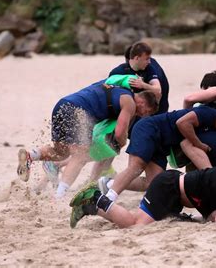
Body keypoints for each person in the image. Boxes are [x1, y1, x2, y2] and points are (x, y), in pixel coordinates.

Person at [16, 81, 158, 198]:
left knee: (60, 152)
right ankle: (59, 196)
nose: (144, 116)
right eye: (147, 112)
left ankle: (30, 155)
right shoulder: (130, 103)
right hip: (79, 111)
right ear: (144, 103)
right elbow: (120, 132)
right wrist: (122, 143)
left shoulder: (117, 87)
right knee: (81, 155)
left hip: (63, 104)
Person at [95, 106, 216, 205]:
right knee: (136, 167)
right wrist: (199, 144)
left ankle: (109, 183)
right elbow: (182, 123)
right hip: (150, 129)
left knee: (153, 183)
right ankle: (108, 199)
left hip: (161, 145)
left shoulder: (211, 127)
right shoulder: (209, 113)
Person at [69, 160, 216, 228]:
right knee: (134, 224)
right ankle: (95, 197)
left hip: (177, 192)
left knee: (143, 220)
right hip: (169, 188)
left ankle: (90, 207)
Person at [89, 41, 170, 181]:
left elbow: (158, 91)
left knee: (116, 146)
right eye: (146, 59)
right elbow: (106, 92)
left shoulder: (150, 67)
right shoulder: (120, 73)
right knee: (111, 145)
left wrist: (143, 85)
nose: (148, 62)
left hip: (149, 113)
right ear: (133, 58)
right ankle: (93, 180)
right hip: (131, 114)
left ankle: (98, 178)